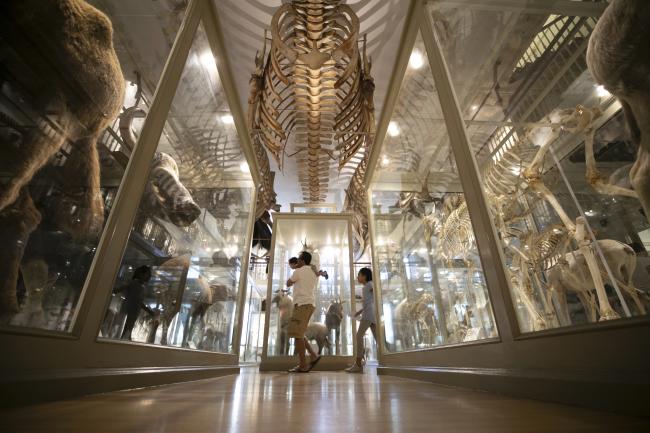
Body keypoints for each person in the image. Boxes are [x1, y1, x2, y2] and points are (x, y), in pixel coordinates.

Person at [286, 251, 321, 372]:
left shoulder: (298, 271)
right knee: (299, 333)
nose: (297, 261)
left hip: (301, 305)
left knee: (297, 335)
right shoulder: (312, 271)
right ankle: (313, 355)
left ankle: (303, 365)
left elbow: (288, 283)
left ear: (302, 261)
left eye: (299, 260)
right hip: (309, 304)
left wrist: (295, 268)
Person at [346, 267, 377, 373]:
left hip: (368, 315)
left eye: (359, 275)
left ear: (364, 276)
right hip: (370, 314)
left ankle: (358, 364)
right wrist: (359, 312)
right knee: (377, 338)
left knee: (359, 336)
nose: (357, 277)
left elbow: (375, 291)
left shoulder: (369, 285)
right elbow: (370, 301)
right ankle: (359, 363)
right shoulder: (366, 287)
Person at [116, 265, 154, 340]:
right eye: (148, 274)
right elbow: (138, 301)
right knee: (126, 329)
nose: (150, 276)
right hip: (130, 310)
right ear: (141, 274)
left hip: (133, 310)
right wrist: (149, 311)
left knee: (127, 330)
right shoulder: (136, 284)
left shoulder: (139, 285)